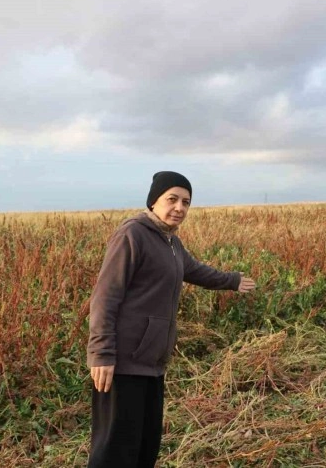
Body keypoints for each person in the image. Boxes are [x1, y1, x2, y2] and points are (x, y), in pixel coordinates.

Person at [86, 171, 256, 467]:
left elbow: (196, 271)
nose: (180, 207)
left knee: (145, 445)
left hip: (152, 361)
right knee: (115, 449)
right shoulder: (132, 234)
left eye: (186, 202)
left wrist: (232, 280)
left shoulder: (171, 243)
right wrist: (101, 354)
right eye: (172, 199)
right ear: (154, 201)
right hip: (123, 360)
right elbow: (105, 295)